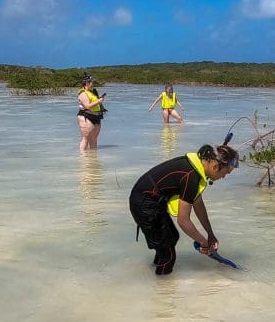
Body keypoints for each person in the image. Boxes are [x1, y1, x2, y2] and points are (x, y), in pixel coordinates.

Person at [129, 143, 239, 275]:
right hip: (144, 203)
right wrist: (203, 242)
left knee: (172, 238)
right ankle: (164, 290)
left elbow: (198, 204)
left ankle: (156, 272)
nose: (224, 177)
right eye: (226, 173)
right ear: (215, 166)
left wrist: (210, 234)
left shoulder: (197, 167)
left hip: (150, 200)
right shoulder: (191, 176)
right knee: (168, 255)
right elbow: (183, 221)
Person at [77, 75, 107, 150]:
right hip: (86, 116)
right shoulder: (83, 93)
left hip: (96, 117)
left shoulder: (92, 92)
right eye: (92, 82)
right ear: (87, 83)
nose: (93, 84)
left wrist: (99, 101)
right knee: (86, 139)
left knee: (94, 139)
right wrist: (98, 101)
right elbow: (87, 106)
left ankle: (93, 159)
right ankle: (83, 159)